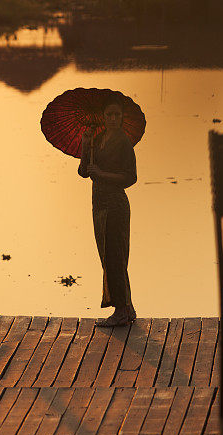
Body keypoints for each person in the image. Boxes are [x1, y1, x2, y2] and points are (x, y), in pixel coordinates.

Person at [78, 101, 137, 326]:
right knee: (108, 256)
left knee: (115, 257)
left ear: (121, 117)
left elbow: (131, 177)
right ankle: (127, 307)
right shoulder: (98, 139)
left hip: (115, 204)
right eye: (109, 114)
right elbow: (84, 172)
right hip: (99, 203)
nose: (112, 118)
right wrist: (85, 145)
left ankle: (121, 310)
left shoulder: (123, 142)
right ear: (103, 116)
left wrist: (102, 174)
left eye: (116, 114)